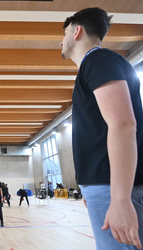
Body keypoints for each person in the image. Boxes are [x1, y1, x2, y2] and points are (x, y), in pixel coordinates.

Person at [61, 7, 143, 249]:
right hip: (103, 188)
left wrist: (119, 199)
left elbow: (123, 124)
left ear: (77, 31)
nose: (61, 41)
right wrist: (90, 187)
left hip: (114, 189)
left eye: (64, 33)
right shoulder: (94, 64)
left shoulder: (98, 59)